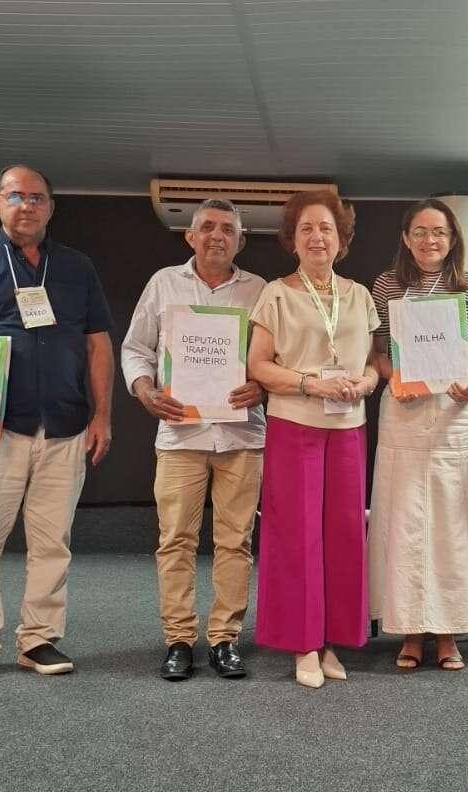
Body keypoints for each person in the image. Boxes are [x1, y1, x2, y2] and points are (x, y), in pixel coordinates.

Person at [0, 164, 115, 683]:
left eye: (37, 198)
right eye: (17, 196)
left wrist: (102, 416)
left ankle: (38, 639)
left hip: (64, 426)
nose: (27, 206)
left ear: (50, 207)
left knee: (52, 541)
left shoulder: (77, 267)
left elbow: (97, 343)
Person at [121, 198, 266, 681]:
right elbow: (135, 348)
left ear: (241, 240)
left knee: (235, 541)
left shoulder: (259, 290)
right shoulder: (164, 283)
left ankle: (225, 638)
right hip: (179, 434)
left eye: (228, 229)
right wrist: (143, 389)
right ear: (190, 236)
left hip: (242, 435)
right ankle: (179, 639)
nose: (217, 236)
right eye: (207, 227)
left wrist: (262, 384)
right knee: (176, 540)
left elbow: (275, 358)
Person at [247, 190, 379, 688]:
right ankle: (302, 643)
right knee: (297, 535)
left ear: (340, 238)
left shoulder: (360, 295)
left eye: (325, 227)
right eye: (306, 229)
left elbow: (371, 362)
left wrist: (367, 382)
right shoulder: (276, 295)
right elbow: (258, 366)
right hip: (294, 425)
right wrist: (310, 383)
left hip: (348, 428)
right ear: (292, 240)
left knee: (344, 535)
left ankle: (331, 640)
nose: (316, 236)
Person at [367, 198, 468, 670]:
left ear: (452, 239)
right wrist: (392, 377)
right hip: (404, 409)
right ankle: (408, 631)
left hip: (455, 410)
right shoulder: (387, 285)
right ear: (406, 238)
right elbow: (377, 352)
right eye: (421, 231)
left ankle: (448, 633)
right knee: (403, 520)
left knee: (452, 521)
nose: (431, 240)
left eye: (440, 232)